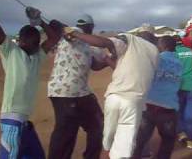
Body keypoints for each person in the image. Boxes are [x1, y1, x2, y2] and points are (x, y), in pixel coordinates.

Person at [0, 0, 60, 158]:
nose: (35, 45)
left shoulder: (36, 57)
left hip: (24, 123)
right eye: (31, 41)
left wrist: (40, 22)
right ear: (22, 40)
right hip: (12, 120)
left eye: (36, 42)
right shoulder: (11, 52)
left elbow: (54, 38)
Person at [64, 24, 159, 159]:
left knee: (108, 141)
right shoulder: (155, 52)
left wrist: (75, 34)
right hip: (133, 102)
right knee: (122, 147)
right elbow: (138, 73)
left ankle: (107, 150)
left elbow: (106, 43)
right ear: (152, 36)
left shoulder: (129, 39)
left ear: (139, 33)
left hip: (113, 98)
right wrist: (109, 58)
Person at [47, 15, 115, 159]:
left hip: (79, 93)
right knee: (67, 132)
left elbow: (95, 65)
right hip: (66, 92)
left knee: (96, 125)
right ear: (90, 27)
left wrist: (109, 60)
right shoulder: (73, 32)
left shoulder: (87, 44)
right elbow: (65, 32)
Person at [133, 36, 182, 159]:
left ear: (163, 46)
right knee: (168, 141)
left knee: (139, 142)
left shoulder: (155, 58)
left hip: (148, 106)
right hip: (168, 108)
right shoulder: (180, 63)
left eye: (158, 44)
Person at [175, 32, 192, 149]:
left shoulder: (172, 53)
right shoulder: (190, 52)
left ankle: (181, 133)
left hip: (177, 85)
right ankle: (191, 140)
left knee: (178, 111)